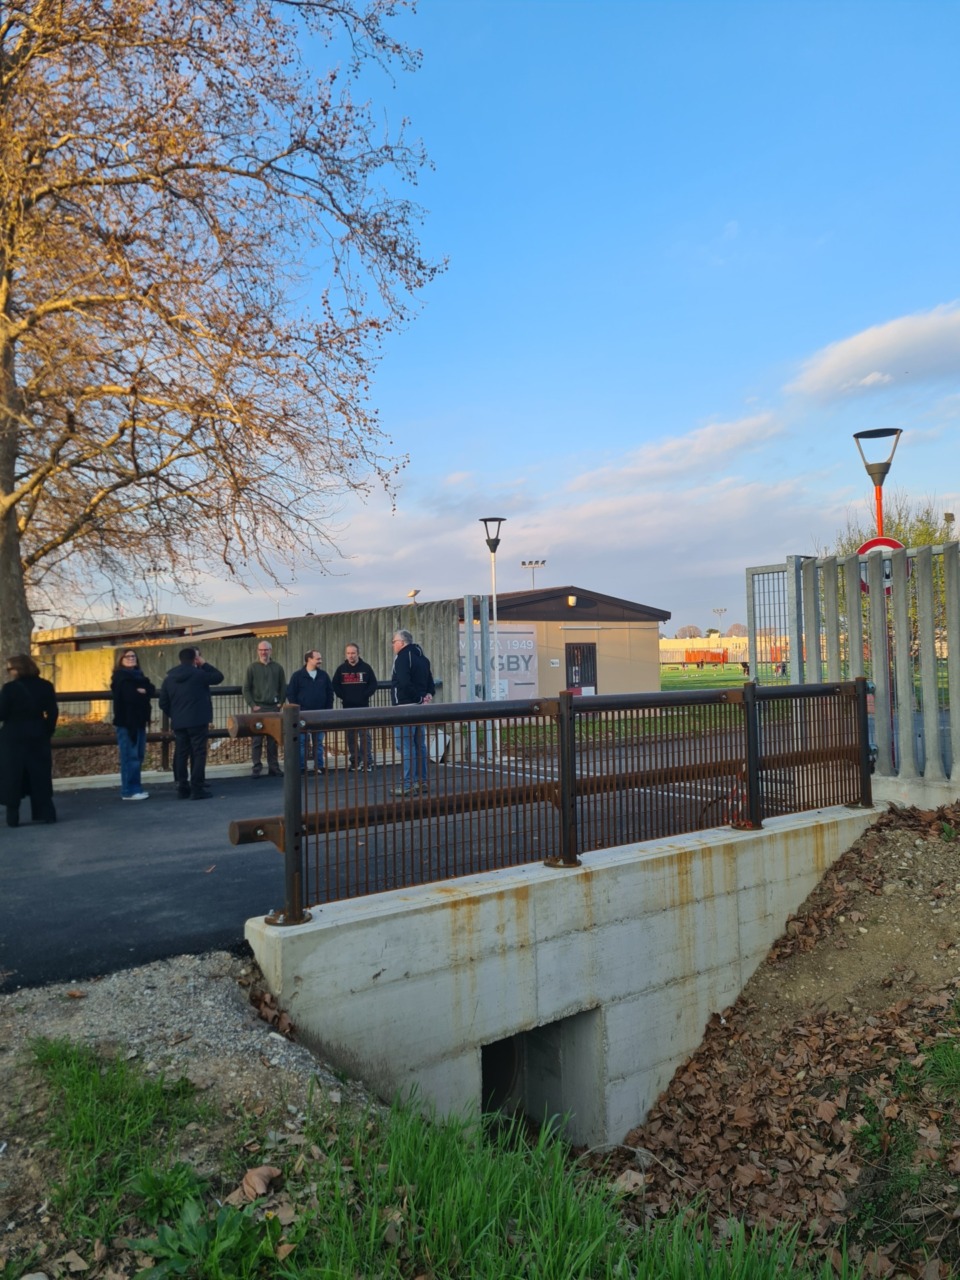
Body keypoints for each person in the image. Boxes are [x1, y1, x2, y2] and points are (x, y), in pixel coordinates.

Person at [0, 653, 59, 827]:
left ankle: (13, 816)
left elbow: (2, 713)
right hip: (38, 732)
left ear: (18, 669)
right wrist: (47, 730)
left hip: (13, 735)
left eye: (10, 669)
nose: (9, 672)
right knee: (40, 773)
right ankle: (46, 813)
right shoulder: (46, 685)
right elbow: (53, 711)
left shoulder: (9, 688)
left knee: (12, 774)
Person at [158, 647, 224, 799]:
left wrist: (175, 714)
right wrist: (204, 664)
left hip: (179, 722)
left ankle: (182, 787)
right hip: (198, 720)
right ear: (195, 659)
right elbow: (219, 677)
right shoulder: (200, 675)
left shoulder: (169, 678)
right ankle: (197, 787)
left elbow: (163, 702)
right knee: (199, 753)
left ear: (180, 659)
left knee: (181, 753)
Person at [390, 629, 435, 797]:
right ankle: (421, 781)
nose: (393, 645)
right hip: (420, 707)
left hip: (404, 706)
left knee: (405, 746)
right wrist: (426, 696)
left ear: (402, 642)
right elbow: (430, 681)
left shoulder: (402, 657)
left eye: (394, 642)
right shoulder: (422, 658)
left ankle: (408, 784)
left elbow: (403, 682)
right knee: (419, 745)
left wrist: (417, 698)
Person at [111, 647, 156, 801]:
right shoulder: (121, 677)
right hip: (127, 722)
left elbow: (151, 688)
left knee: (138, 756)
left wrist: (144, 691)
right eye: (127, 656)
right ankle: (129, 790)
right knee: (130, 757)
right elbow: (131, 696)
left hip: (139, 721)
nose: (131, 659)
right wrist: (142, 692)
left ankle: (135, 788)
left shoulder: (139, 676)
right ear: (121, 660)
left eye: (133, 656)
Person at [331, 642, 379, 770]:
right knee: (351, 736)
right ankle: (355, 761)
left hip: (363, 707)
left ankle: (367, 762)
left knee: (365, 736)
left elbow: (373, 684)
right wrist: (344, 696)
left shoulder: (366, 668)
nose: (350, 655)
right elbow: (335, 685)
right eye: (348, 653)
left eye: (353, 653)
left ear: (358, 653)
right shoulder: (341, 669)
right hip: (347, 707)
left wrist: (364, 695)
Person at [242, 640, 285, 778]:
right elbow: (246, 688)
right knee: (257, 740)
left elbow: (283, 686)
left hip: (273, 708)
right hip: (258, 709)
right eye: (261, 650)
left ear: (270, 651)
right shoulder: (252, 667)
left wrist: (281, 702)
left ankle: (274, 767)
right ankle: (256, 767)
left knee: (273, 739)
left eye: (266, 650)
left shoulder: (278, 667)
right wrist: (252, 704)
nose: (263, 652)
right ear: (257, 651)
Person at [286, 649, 333, 773]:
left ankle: (319, 766)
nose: (320, 661)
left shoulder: (323, 675)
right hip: (302, 715)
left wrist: (328, 710)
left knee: (318, 742)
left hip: (320, 714)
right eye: (318, 659)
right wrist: (297, 710)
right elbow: (291, 693)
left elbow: (330, 693)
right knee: (302, 742)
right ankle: (302, 767)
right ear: (309, 659)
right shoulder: (297, 676)